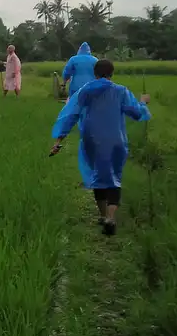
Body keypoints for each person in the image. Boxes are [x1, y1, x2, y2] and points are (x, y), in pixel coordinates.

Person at [50, 59, 151, 236]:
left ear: (95, 73)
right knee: (114, 175)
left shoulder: (85, 91)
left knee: (98, 173)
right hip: (116, 139)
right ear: (112, 73)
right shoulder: (121, 91)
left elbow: (71, 115)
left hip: (92, 138)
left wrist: (58, 141)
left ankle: (103, 216)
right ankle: (111, 218)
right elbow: (135, 113)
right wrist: (143, 103)